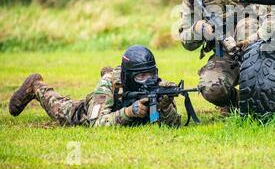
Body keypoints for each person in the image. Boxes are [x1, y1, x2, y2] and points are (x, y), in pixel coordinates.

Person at [9, 45, 181, 127]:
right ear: (128, 76)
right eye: (140, 76)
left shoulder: (155, 86)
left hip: (116, 91)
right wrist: (128, 112)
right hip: (87, 111)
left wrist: (165, 108)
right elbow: (95, 124)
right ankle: (36, 86)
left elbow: (173, 125)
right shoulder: (108, 84)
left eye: (150, 74)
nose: (147, 80)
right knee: (64, 111)